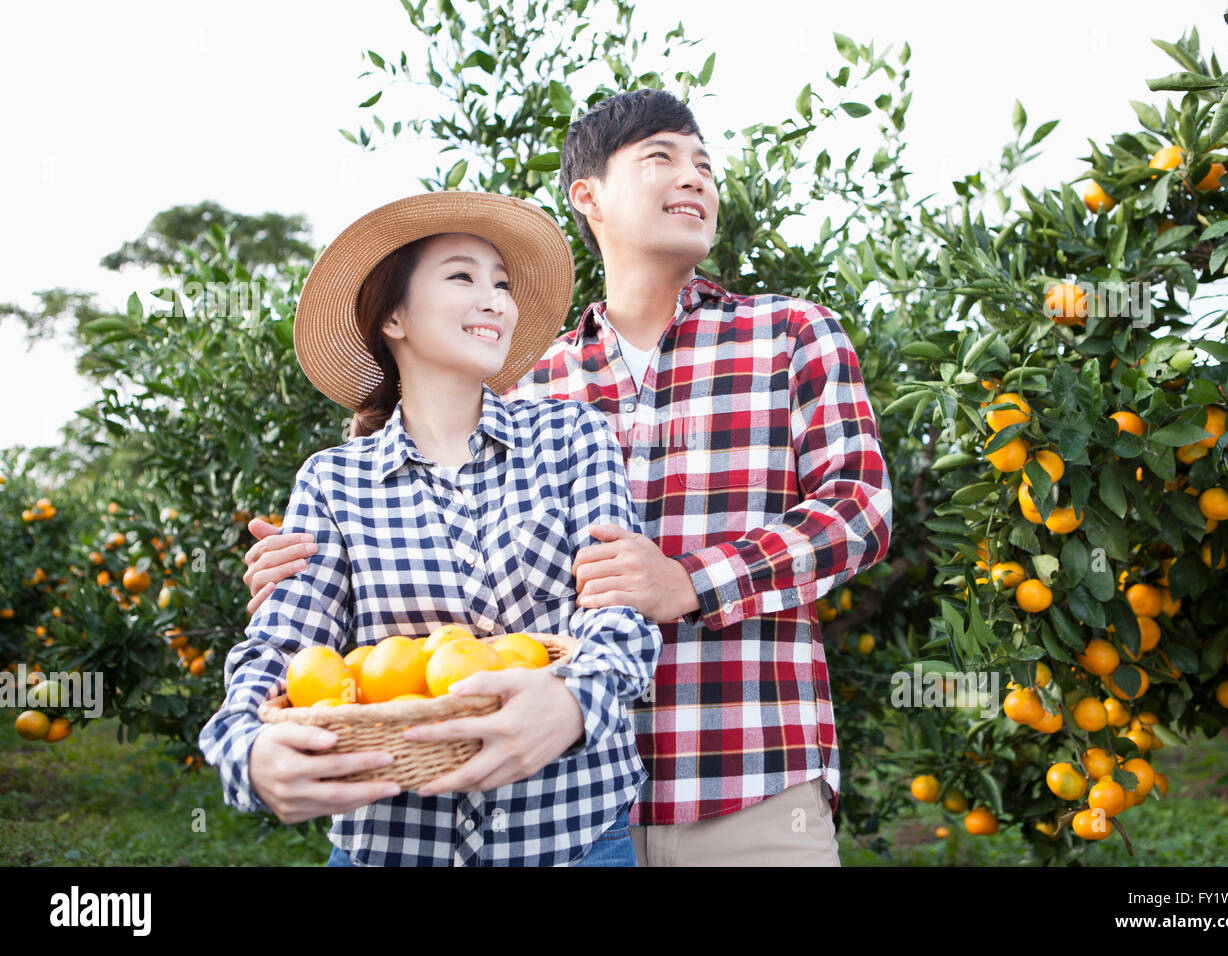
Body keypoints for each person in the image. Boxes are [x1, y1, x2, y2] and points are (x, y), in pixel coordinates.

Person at [242, 89, 892, 866]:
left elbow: (858, 510)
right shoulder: (531, 382)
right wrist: (314, 572)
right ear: (588, 196)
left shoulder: (789, 334)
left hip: (744, 780)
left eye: (704, 165)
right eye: (662, 158)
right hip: (553, 805)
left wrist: (690, 582)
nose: (694, 178)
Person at [199, 191, 661, 867]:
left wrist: (573, 705)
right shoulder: (333, 482)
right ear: (393, 314)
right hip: (393, 847)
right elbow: (286, 645)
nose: (496, 300)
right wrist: (247, 751)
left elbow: (621, 614)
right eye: (463, 276)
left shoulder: (573, 439)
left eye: (502, 284)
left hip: (570, 837)